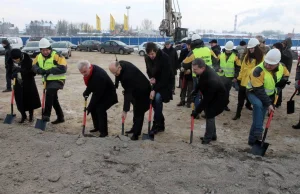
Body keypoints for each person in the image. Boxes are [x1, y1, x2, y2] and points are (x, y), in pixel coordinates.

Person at [246, 49, 290, 146]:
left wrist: (282, 82)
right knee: (258, 105)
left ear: (278, 63)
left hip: (269, 95)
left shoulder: (282, 67)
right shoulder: (258, 71)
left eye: (271, 65)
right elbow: (259, 91)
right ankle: (258, 131)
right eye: (266, 63)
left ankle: (252, 140)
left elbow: (286, 75)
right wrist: (269, 104)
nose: (267, 66)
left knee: (259, 117)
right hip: (253, 92)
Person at [109, 60, 151, 140]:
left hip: (143, 90)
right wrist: (116, 84)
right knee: (136, 109)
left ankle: (136, 134)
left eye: (115, 72)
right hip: (134, 88)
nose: (115, 75)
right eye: (113, 73)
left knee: (139, 111)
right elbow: (117, 76)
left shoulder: (127, 77)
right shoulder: (120, 64)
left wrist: (125, 110)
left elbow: (127, 94)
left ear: (120, 67)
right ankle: (134, 129)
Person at [190, 58, 229, 144]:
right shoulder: (204, 71)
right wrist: (195, 91)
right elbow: (201, 82)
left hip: (219, 99)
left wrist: (197, 111)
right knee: (209, 114)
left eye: (195, 69)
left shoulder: (212, 80)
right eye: (193, 69)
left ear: (202, 68)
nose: (194, 71)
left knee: (210, 115)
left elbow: (206, 100)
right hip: (213, 95)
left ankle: (208, 138)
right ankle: (212, 135)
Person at [78, 60, 118, 137]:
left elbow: (96, 95)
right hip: (100, 92)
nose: (84, 74)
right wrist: (87, 92)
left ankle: (104, 132)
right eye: (81, 72)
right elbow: (91, 84)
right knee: (93, 109)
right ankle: (97, 127)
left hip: (109, 95)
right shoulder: (91, 70)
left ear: (89, 67)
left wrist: (89, 106)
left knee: (100, 109)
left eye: (85, 71)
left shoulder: (99, 76)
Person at [32, 38, 67, 124]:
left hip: (58, 80)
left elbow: (63, 68)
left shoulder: (57, 55)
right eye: (43, 50)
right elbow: (33, 66)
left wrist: (50, 70)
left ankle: (46, 115)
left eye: (47, 50)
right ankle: (60, 117)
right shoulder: (38, 57)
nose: (45, 52)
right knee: (53, 99)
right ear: (40, 50)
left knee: (49, 92)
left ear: (50, 48)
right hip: (47, 81)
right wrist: (38, 70)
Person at [182, 34, 217, 117]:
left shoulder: (193, 52)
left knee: (196, 94)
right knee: (208, 94)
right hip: (209, 75)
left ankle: (197, 112)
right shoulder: (208, 49)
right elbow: (216, 59)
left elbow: (185, 63)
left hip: (197, 76)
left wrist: (188, 68)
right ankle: (207, 112)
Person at [145, 42, 173, 135]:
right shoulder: (147, 58)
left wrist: (154, 90)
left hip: (166, 84)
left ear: (156, 51)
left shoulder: (164, 58)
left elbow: (165, 78)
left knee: (157, 98)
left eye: (152, 54)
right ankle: (161, 124)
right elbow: (149, 70)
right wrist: (151, 77)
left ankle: (156, 124)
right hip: (156, 83)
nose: (151, 56)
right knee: (153, 102)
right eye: (149, 54)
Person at [233, 38, 263, 120]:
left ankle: (255, 115)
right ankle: (238, 114)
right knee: (240, 100)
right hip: (244, 82)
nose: (250, 50)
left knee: (254, 100)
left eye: (252, 48)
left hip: (254, 83)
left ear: (257, 47)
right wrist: (239, 78)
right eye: (249, 48)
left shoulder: (262, 58)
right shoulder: (246, 56)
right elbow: (242, 69)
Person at [9, 49, 41, 123]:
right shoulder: (10, 61)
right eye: (14, 59)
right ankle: (23, 115)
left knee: (30, 100)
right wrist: (12, 75)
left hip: (28, 83)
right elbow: (9, 72)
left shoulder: (27, 59)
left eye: (17, 59)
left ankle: (31, 116)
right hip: (18, 84)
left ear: (20, 56)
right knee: (19, 101)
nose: (16, 60)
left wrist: (21, 71)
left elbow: (33, 72)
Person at [216, 41, 241, 111]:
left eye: (229, 50)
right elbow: (216, 64)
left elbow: (238, 67)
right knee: (220, 91)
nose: (228, 51)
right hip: (221, 76)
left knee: (226, 92)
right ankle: (219, 104)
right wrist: (218, 69)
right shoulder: (220, 55)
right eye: (227, 49)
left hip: (230, 78)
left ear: (232, 49)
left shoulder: (235, 57)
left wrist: (235, 77)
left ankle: (225, 105)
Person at [177, 39, 193, 108]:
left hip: (191, 74)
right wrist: (181, 68)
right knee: (183, 88)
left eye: (189, 45)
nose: (188, 46)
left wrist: (191, 70)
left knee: (190, 89)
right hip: (183, 73)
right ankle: (182, 100)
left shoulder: (194, 53)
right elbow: (179, 61)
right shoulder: (183, 51)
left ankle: (189, 102)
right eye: (187, 45)